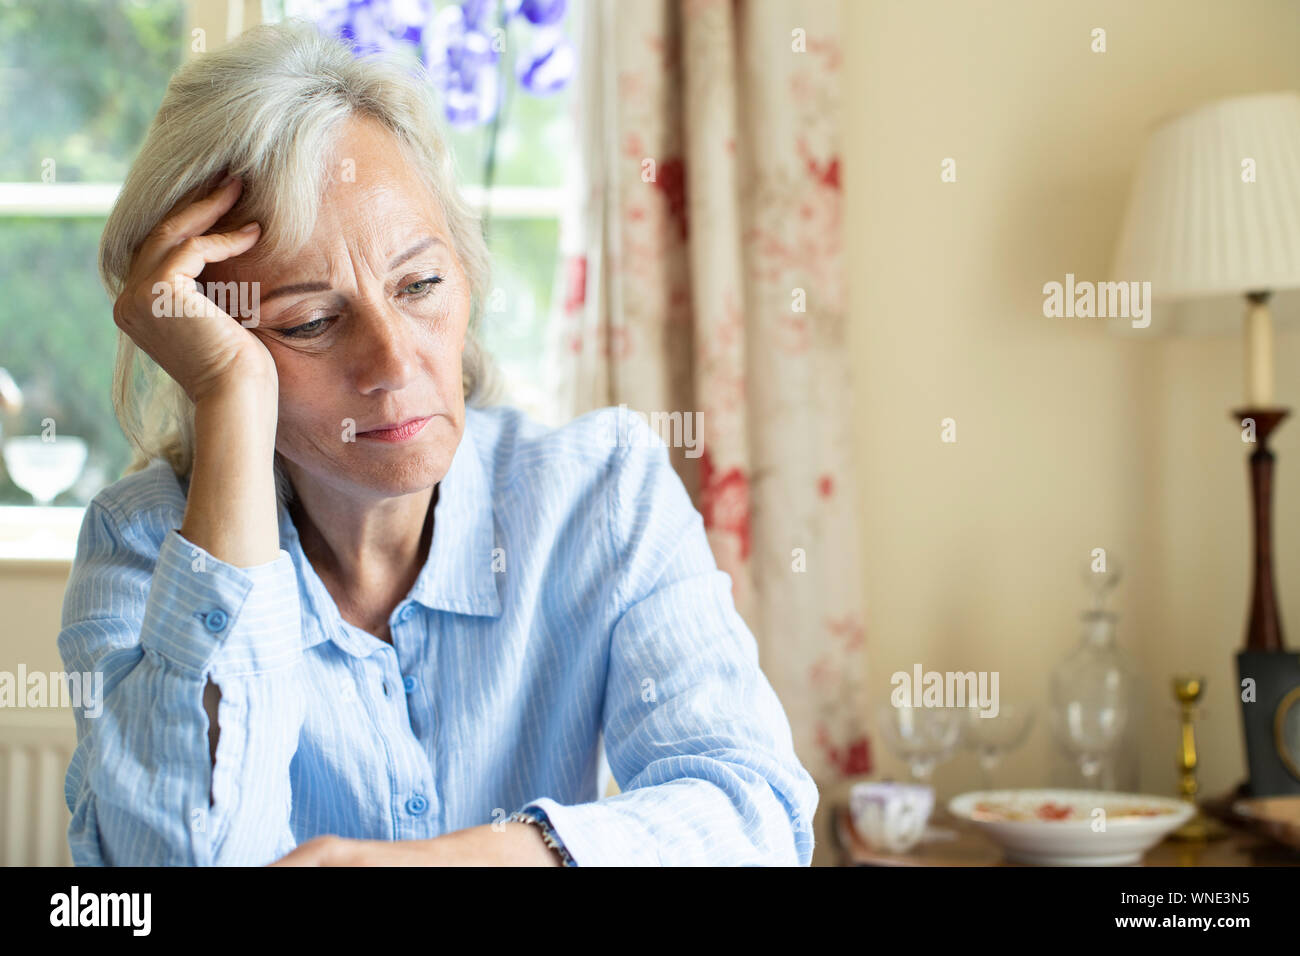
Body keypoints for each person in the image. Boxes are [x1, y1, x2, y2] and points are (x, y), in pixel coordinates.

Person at [59, 18, 817, 866]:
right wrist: (231, 399)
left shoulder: (604, 493)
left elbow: (754, 814)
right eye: (309, 322)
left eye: (419, 283)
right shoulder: (141, 544)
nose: (394, 362)